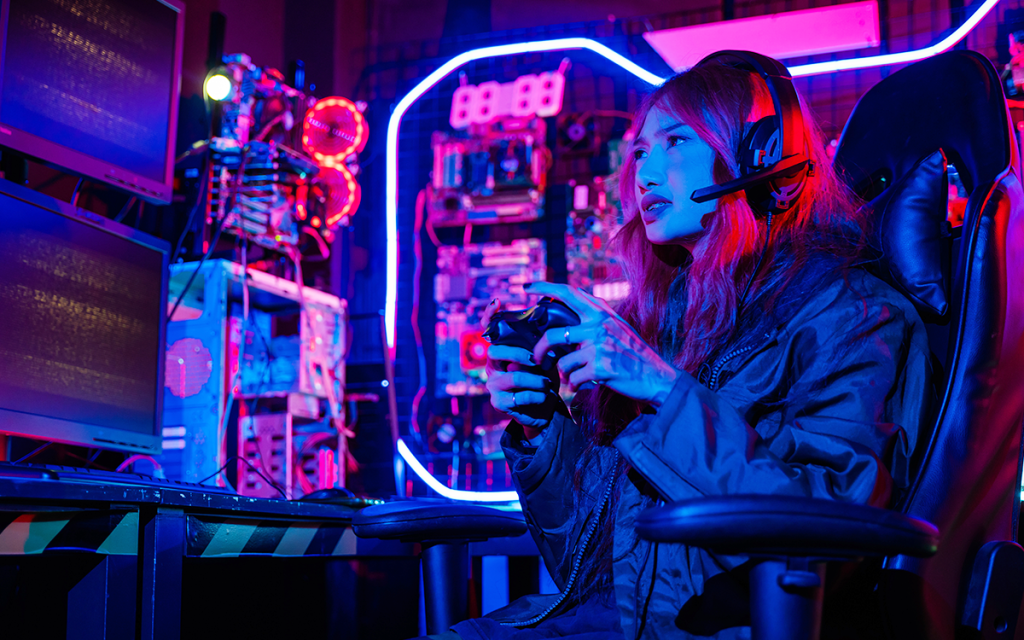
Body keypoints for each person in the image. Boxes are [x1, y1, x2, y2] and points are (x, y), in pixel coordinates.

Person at [443, 53, 932, 640]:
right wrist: (541, 428)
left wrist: (661, 388)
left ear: (759, 153)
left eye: (674, 142)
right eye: (642, 151)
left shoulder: (850, 312)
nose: (644, 172)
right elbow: (585, 565)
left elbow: (829, 528)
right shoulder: (670, 325)